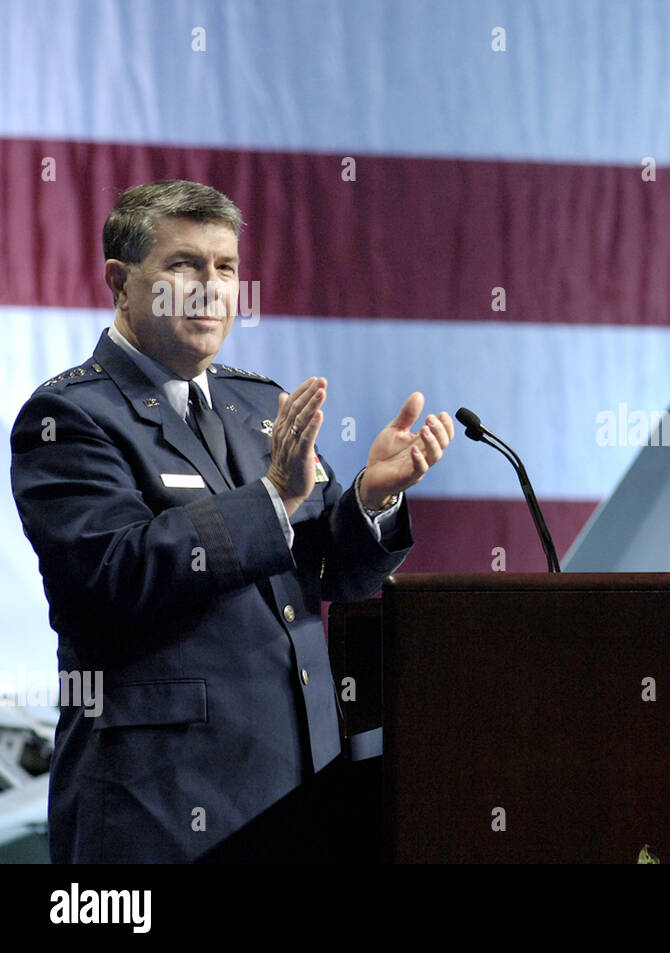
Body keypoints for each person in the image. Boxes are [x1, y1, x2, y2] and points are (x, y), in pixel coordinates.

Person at [9, 180, 454, 862]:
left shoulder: (261, 406)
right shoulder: (69, 417)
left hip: (304, 784)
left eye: (225, 268)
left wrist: (371, 497)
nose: (211, 287)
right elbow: (111, 573)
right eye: (183, 264)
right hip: (159, 803)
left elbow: (332, 570)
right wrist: (274, 495)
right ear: (120, 283)